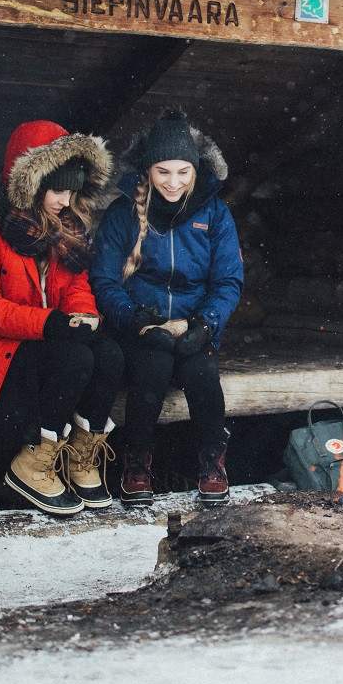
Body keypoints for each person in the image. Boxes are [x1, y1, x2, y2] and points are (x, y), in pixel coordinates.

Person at [0, 120, 123, 516]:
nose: (65, 200)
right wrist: (51, 324)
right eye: (56, 189)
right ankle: (33, 461)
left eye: (72, 189)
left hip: (46, 334)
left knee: (110, 355)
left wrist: (83, 314)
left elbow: (75, 286)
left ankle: (79, 456)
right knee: (75, 358)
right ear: (30, 182)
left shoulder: (66, 225)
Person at [91, 108, 244, 505]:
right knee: (152, 367)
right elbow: (104, 281)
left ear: (195, 171)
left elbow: (228, 281)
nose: (173, 182)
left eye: (182, 172)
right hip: (142, 329)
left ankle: (213, 460)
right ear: (148, 171)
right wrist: (137, 319)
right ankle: (137, 462)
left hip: (194, 326)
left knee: (204, 372)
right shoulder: (122, 215)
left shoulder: (214, 214)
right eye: (163, 172)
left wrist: (205, 325)